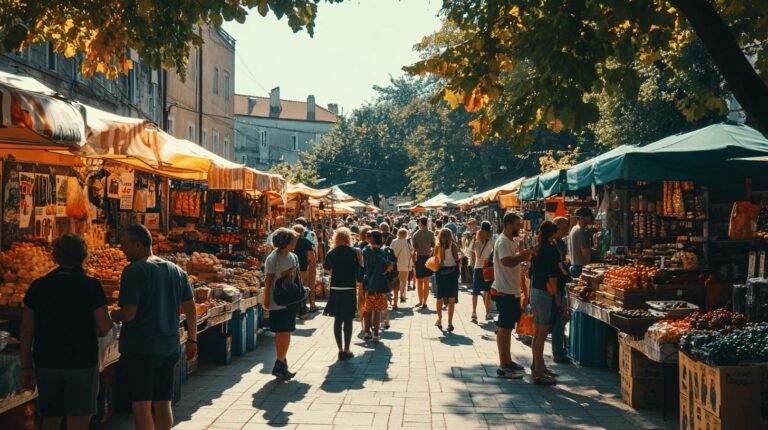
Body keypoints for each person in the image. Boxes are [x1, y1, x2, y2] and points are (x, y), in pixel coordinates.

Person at [20, 234, 114, 430]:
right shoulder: (91, 286)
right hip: (82, 362)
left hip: (47, 362)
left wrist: (26, 366)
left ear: (55, 257)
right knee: (78, 421)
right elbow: (105, 326)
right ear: (83, 257)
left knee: (50, 420)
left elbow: (27, 331)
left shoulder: (38, 287)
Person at [111, 224, 198, 430]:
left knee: (141, 405)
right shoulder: (176, 270)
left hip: (140, 348)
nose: (122, 249)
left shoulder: (133, 271)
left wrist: (109, 315)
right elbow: (191, 309)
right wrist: (193, 339)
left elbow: (128, 313)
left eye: (124, 244)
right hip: (169, 347)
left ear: (138, 244)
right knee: (163, 402)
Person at [492, 212, 532, 380]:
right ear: (508, 224)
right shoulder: (503, 242)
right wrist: (522, 255)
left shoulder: (510, 241)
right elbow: (506, 262)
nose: (519, 228)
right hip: (504, 290)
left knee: (508, 328)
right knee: (504, 327)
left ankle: (507, 361)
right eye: (516, 225)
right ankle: (503, 365)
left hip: (511, 290)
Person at [262, 228, 301, 380]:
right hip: (278, 299)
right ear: (287, 242)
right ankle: (279, 363)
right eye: (293, 240)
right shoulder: (273, 258)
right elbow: (269, 280)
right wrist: (265, 301)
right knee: (283, 331)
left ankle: (282, 364)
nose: (295, 243)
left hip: (289, 299)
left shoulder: (292, 256)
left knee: (284, 331)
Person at [528, 221, 562, 385]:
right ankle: (538, 372)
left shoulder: (538, 248)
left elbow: (531, 272)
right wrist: (556, 295)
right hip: (545, 293)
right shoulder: (551, 249)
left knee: (538, 333)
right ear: (553, 233)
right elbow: (552, 274)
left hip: (536, 291)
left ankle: (538, 365)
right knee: (541, 334)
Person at [323, 228, 363, 360]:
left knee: (338, 320)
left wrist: (335, 271)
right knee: (348, 319)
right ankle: (347, 348)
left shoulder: (331, 252)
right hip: (349, 288)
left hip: (335, 288)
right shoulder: (354, 252)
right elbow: (359, 270)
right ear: (348, 238)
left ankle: (340, 349)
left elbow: (327, 269)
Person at [362, 230, 393, 341]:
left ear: (372, 239)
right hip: (379, 284)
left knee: (368, 309)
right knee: (377, 310)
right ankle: (375, 334)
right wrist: (387, 269)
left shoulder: (366, 250)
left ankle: (366, 332)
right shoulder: (381, 251)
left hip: (369, 284)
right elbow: (384, 268)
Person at [552, 216, 572, 364]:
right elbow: (557, 265)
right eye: (565, 226)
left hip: (560, 284)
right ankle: (558, 352)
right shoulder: (554, 244)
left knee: (561, 317)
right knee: (558, 318)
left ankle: (561, 350)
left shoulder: (561, 242)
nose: (567, 228)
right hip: (557, 284)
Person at [433, 229, 460, 332]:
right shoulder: (453, 246)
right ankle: (450, 322)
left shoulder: (438, 246)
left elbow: (436, 261)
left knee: (439, 297)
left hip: (441, 273)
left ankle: (439, 319)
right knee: (451, 298)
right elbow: (457, 259)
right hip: (452, 273)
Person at [469, 221, 494, 323]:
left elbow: (469, 251)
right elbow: (495, 252)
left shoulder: (475, 239)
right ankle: (487, 313)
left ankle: (474, 313)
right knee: (487, 292)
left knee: (475, 292)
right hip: (487, 268)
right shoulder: (491, 240)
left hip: (477, 267)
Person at [292, 224, 318, 314]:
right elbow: (312, 258)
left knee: (294, 288)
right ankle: (305, 308)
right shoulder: (306, 242)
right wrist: (311, 268)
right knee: (305, 288)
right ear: (303, 232)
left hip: (290, 269)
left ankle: (295, 308)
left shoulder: (290, 241)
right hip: (303, 268)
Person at [412, 216, 435, 309]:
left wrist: (413, 260)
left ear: (420, 223)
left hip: (419, 259)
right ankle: (425, 302)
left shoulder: (416, 234)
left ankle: (420, 301)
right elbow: (433, 246)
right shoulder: (431, 234)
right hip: (428, 258)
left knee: (419, 282)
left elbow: (414, 248)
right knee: (426, 283)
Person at [568, 207, 594, 277]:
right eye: (589, 216)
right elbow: (585, 253)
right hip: (580, 268)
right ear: (582, 218)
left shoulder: (574, 229)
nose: (591, 218)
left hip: (574, 266)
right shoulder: (582, 232)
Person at [390, 228, 413, 306]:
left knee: (396, 281)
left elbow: (390, 252)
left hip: (395, 265)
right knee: (404, 281)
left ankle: (396, 295)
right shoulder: (407, 242)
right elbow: (411, 252)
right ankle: (402, 294)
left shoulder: (394, 242)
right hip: (405, 264)